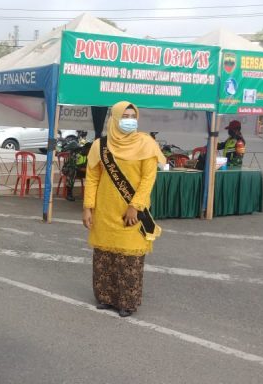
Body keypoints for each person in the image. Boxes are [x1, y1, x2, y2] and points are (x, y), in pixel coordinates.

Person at [82, 101, 166, 317]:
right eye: (125, 116)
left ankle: (127, 302)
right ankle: (106, 298)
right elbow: (92, 177)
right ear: (115, 119)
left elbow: (148, 178)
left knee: (129, 261)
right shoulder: (100, 146)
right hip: (104, 210)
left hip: (131, 211)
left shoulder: (146, 143)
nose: (130, 120)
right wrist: (88, 207)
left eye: (133, 116)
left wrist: (135, 206)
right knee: (104, 257)